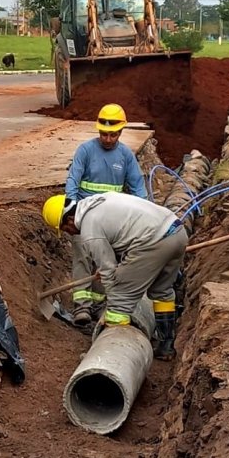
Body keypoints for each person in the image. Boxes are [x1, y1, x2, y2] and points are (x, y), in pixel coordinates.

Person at [42, 192, 187, 361]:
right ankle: (166, 346)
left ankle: (109, 357)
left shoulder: (90, 229)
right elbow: (124, 238)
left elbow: (109, 273)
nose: (70, 233)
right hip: (177, 231)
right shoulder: (99, 202)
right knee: (161, 291)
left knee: (118, 307)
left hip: (154, 241)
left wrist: (114, 300)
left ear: (68, 220)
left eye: (66, 229)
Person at [64, 103, 147, 325]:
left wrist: (144, 213)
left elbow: (138, 186)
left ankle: (100, 303)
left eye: (112, 135)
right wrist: (70, 209)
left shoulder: (125, 156)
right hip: (83, 217)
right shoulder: (85, 151)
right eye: (103, 134)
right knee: (82, 256)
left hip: (111, 222)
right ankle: (82, 306)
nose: (107, 139)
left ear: (121, 132)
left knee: (106, 261)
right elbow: (73, 180)